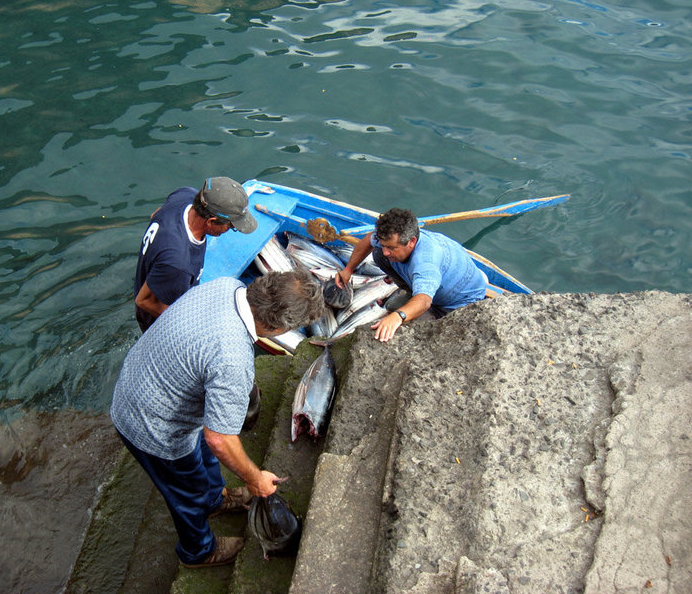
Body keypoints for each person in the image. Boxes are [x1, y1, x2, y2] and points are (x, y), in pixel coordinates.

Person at [110, 269, 326, 568]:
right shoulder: (233, 357)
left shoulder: (227, 285)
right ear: (278, 326)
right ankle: (198, 552)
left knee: (203, 459)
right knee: (185, 493)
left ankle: (215, 498)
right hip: (151, 425)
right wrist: (255, 480)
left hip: (147, 380)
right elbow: (219, 439)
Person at [335, 207, 487, 343]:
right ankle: (412, 292)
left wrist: (398, 316)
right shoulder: (390, 239)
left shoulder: (425, 263)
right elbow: (369, 240)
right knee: (378, 254)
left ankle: (426, 308)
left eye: (391, 248)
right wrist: (348, 270)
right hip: (436, 285)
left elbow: (424, 301)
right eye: (384, 245)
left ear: (412, 241)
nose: (386, 251)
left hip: (457, 304)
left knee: (406, 329)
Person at [133, 176, 257, 332]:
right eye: (230, 226)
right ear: (211, 221)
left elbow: (156, 214)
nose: (229, 230)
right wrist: (190, 328)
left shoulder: (184, 195)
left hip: (161, 276)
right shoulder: (179, 264)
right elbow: (144, 301)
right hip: (156, 316)